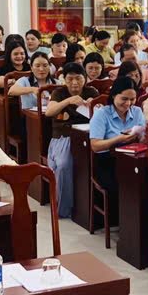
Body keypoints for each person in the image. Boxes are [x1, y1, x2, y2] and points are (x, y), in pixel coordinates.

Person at [45, 63, 98, 220]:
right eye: (70, 79)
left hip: (88, 136)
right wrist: (68, 101)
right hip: (64, 136)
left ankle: (89, 206)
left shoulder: (91, 91)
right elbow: (49, 112)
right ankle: (63, 208)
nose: (74, 83)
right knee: (63, 165)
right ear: (64, 80)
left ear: (85, 79)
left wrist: (93, 104)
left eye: (78, 78)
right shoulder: (59, 93)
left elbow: (101, 113)